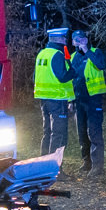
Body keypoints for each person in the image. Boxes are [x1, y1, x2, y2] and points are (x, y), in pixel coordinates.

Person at [70, 29, 106, 178]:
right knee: (82, 133)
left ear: (87, 39)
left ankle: (97, 166)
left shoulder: (96, 52)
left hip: (93, 99)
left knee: (94, 132)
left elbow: (101, 65)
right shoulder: (72, 57)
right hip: (79, 101)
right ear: (73, 42)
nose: (79, 41)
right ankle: (87, 162)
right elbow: (70, 80)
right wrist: (70, 101)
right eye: (76, 39)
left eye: (82, 38)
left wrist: (87, 50)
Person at [34, 27, 75, 155]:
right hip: (57, 99)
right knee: (59, 135)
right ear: (58, 39)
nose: (65, 40)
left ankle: (43, 166)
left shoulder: (42, 53)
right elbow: (62, 77)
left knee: (47, 132)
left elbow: (35, 77)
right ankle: (56, 170)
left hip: (44, 99)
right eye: (64, 38)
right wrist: (73, 72)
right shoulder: (57, 55)